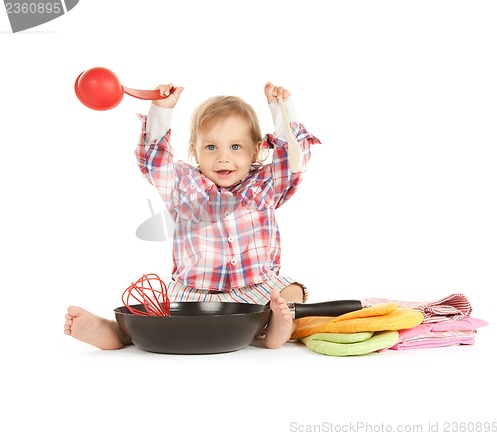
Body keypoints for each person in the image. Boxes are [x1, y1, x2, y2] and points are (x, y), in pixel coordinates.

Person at [64, 82, 320, 350]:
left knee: (291, 293)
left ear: (255, 150)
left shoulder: (264, 185)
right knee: (159, 318)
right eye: (211, 147)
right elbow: (155, 163)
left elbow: (294, 162)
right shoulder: (185, 186)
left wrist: (282, 111)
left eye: (235, 147)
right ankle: (117, 331)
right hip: (196, 294)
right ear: (194, 150)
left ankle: (280, 328)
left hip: (254, 288)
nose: (223, 158)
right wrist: (161, 112)